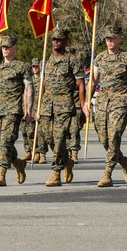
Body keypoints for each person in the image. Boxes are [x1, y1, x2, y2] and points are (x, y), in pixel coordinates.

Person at [86, 26, 127, 187]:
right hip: (102, 102)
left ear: (120, 38)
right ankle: (124, 161)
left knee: (114, 137)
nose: (109, 41)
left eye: (113, 38)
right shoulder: (99, 58)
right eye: (107, 38)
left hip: (120, 102)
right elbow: (92, 81)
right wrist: (86, 101)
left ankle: (107, 174)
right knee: (104, 139)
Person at [40, 27, 86, 187]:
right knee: (49, 139)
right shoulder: (46, 61)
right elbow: (43, 85)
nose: (55, 42)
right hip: (47, 105)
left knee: (59, 139)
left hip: (65, 105)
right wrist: (38, 106)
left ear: (66, 42)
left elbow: (81, 85)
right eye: (53, 39)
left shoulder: (72, 60)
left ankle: (56, 173)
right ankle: (66, 161)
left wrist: (82, 106)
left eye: (59, 39)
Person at [0, 35, 33, 186]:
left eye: (8, 47)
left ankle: (2, 174)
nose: (5, 49)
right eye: (3, 47)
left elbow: (29, 89)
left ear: (15, 48)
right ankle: (18, 163)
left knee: (7, 141)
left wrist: (29, 111)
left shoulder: (21, 66)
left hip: (12, 110)